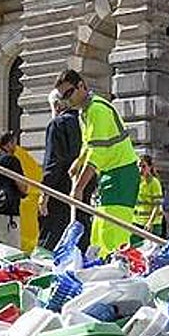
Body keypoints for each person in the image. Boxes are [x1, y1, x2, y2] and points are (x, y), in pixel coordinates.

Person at [52, 69, 140, 258]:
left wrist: (79, 187)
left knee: (112, 230)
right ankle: (99, 267)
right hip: (111, 175)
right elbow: (89, 145)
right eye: (63, 97)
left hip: (121, 174)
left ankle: (115, 270)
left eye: (69, 94)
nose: (67, 100)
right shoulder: (85, 112)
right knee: (99, 229)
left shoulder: (97, 110)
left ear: (82, 86)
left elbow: (97, 153)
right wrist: (78, 162)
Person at [37, 90, 85, 251]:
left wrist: (44, 194)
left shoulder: (57, 124)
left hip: (60, 191)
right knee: (80, 238)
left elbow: (53, 162)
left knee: (51, 239)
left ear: (57, 105)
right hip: (82, 188)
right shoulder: (83, 122)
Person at [132, 154, 164, 245]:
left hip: (152, 224)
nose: (141, 169)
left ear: (150, 167)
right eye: (139, 166)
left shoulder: (154, 183)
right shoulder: (138, 181)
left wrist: (150, 222)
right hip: (137, 221)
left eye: (143, 166)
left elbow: (157, 205)